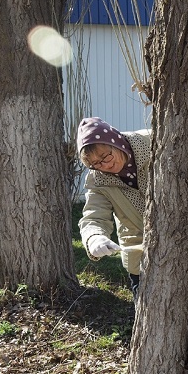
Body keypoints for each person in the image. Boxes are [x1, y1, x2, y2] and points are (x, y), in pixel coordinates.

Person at [76, 117, 151, 299]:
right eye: (96, 164)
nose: (106, 165)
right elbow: (94, 216)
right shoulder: (97, 179)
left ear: (115, 141)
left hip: (187, 246)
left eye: (105, 156)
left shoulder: (152, 144)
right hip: (140, 256)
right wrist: (94, 238)